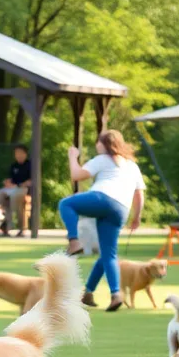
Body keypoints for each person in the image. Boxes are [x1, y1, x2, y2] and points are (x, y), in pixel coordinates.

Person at [59, 130, 146, 312]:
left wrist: (72, 156)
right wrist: (136, 217)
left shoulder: (103, 158)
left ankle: (74, 241)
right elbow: (139, 195)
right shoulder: (132, 165)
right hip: (121, 209)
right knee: (108, 255)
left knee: (66, 204)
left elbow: (76, 175)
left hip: (103, 198)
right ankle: (108, 294)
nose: (96, 145)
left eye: (97, 142)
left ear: (104, 144)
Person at [0, 144, 31, 235]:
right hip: (12, 189)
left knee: (15, 197)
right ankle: (4, 227)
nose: (18, 155)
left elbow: (31, 181)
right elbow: (10, 179)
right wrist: (7, 182)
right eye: (16, 153)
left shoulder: (30, 165)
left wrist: (19, 185)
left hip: (24, 190)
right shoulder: (14, 166)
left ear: (25, 154)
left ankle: (22, 228)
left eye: (20, 153)